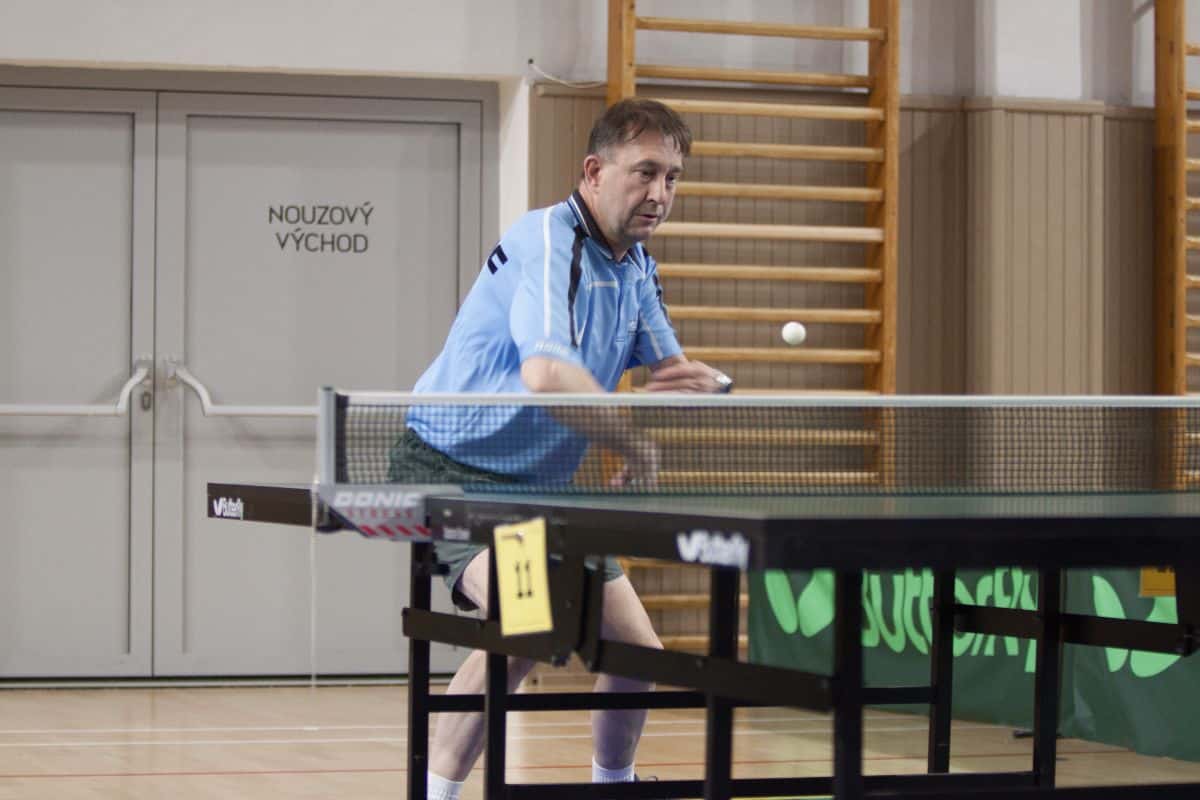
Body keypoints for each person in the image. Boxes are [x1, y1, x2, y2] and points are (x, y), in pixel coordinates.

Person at [391, 98, 733, 800]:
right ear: (594, 171)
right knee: (530, 623)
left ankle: (614, 786)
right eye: (645, 172)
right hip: (457, 473)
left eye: (672, 177)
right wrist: (630, 440)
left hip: (545, 488)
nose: (660, 193)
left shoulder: (637, 268)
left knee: (638, 651)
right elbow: (546, 374)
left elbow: (667, 369)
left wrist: (700, 384)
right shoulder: (547, 240)